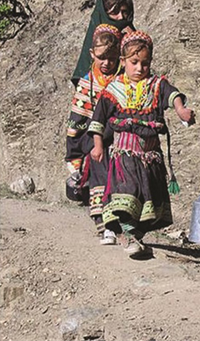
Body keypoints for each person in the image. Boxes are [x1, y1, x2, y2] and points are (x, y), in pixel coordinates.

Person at [88, 30, 195, 259]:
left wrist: (181, 110)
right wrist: (97, 145)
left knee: (150, 200)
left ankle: (132, 234)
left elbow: (173, 95)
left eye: (145, 63)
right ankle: (126, 232)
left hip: (151, 156)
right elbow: (98, 119)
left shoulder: (156, 85)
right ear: (123, 62)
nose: (139, 68)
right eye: (134, 62)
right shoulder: (113, 90)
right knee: (129, 191)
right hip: (124, 154)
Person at [65, 23, 123, 245]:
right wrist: (74, 156)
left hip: (120, 135)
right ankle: (106, 225)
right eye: (101, 58)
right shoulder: (87, 84)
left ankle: (125, 221)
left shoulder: (124, 80)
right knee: (99, 165)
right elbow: (77, 121)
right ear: (92, 54)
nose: (107, 63)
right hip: (93, 139)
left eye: (112, 57)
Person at [72, 0, 135, 85]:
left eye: (124, 12)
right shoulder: (94, 42)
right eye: (115, 12)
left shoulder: (130, 34)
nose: (121, 17)